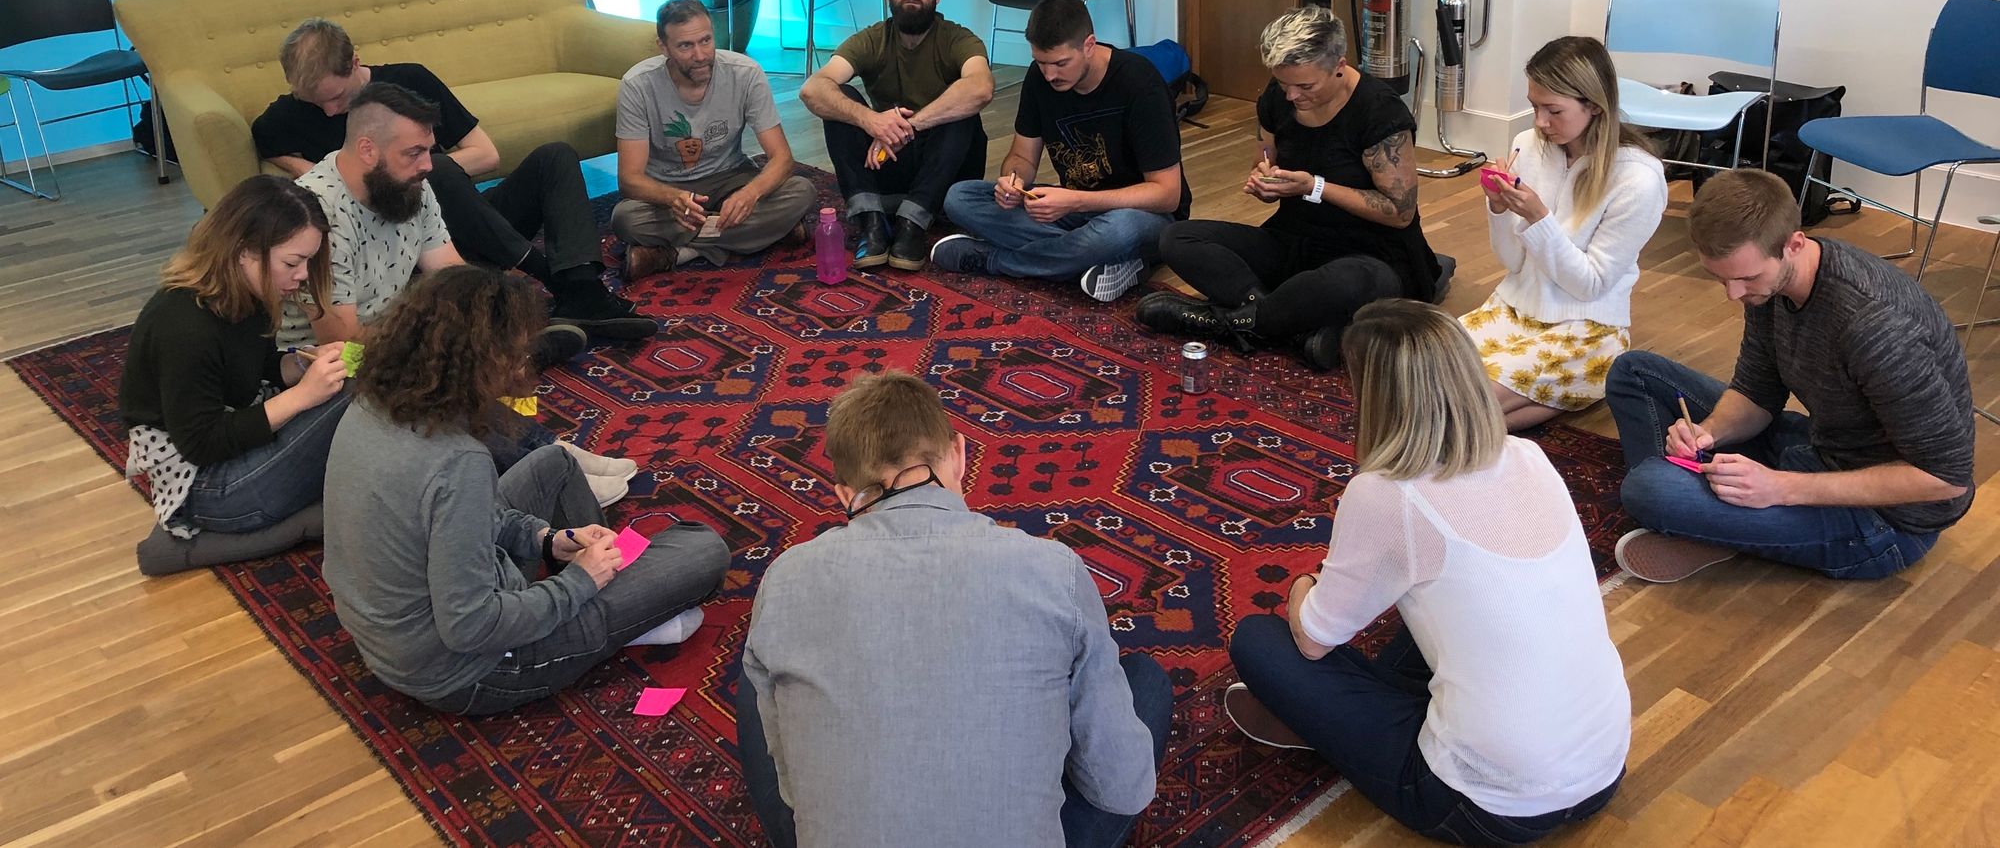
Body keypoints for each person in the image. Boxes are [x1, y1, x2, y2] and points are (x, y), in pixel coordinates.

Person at [1225, 299, 1628, 846]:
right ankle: (1355, 720)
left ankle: (1334, 731)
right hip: (1603, 768)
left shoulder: (1387, 494)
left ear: (1373, 396)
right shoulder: (1528, 455)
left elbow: (1315, 639)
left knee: (1259, 639)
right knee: (1433, 602)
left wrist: (1305, 584)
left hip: (1485, 807)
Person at [739, 371, 1169, 848]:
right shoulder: (1053, 569)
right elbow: (1122, 789)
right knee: (1145, 680)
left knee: (760, 676)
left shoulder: (786, 578)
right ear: (960, 454)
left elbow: (795, 793)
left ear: (844, 496)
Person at [321, 265, 731, 716]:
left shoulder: (368, 405)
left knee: (555, 463)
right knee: (703, 550)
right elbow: (470, 626)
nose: (523, 367)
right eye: (515, 355)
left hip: (393, 640)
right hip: (469, 671)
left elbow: (448, 523)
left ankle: (608, 600)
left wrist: (546, 539)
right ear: (476, 362)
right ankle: (612, 616)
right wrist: (579, 582)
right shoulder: (457, 462)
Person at [1605, 168, 1976, 583]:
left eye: (1746, 278)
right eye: (1721, 278)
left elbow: (1945, 479)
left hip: (1885, 520)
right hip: (1825, 446)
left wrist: (1779, 488)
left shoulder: (1876, 327)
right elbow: (1757, 392)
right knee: (1632, 371)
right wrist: (1707, 433)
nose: (1733, 293)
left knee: (1647, 489)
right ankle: (1708, 516)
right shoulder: (1771, 283)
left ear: (1793, 244)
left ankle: (1701, 518)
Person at [273, 81, 639, 493]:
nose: (428, 165)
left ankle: (548, 453)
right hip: (324, 365)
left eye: (428, 150)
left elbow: (454, 276)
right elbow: (342, 340)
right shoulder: (317, 216)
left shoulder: (409, 185)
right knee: (429, 373)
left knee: (468, 338)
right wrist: (434, 340)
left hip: (387, 331)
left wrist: (492, 335)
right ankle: (547, 467)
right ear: (368, 150)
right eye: (414, 153)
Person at [252, 18, 647, 337]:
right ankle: (557, 288)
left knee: (547, 157)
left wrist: (413, 168)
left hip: (458, 221)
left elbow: (486, 156)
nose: (328, 111)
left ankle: (580, 288)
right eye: (314, 101)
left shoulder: (411, 85)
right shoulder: (300, 137)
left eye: (336, 97)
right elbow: (265, 138)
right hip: (397, 260)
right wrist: (315, 171)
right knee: (436, 172)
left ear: (355, 63)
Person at [1138, 6, 1443, 370]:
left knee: (1345, 283)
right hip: (1294, 241)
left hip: (1372, 254)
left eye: (1305, 86)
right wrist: (1265, 179)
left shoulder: (1379, 112)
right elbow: (1265, 158)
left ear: (1339, 66)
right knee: (1177, 237)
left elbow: (1399, 212)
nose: (1292, 96)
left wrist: (1315, 187)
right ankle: (1283, 322)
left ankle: (1224, 322)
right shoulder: (1277, 98)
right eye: (1284, 84)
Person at [120, 174, 348, 546]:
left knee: (347, 381)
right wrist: (303, 396)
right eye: (293, 262)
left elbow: (255, 367)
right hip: (203, 489)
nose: (303, 274)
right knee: (350, 395)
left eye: (308, 261)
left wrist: (301, 365)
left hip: (231, 456)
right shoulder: (184, 326)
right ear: (244, 252)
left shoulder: (248, 293)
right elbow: (202, 444)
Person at [1463, 36, 1666, 431]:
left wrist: (1539, 219)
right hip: (1513, 309)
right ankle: (1513, 412)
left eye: (1553, 110)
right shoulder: (1528, 145)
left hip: (1586, 328)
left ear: (1594, 105)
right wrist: (1500, 210)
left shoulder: (1638, 178)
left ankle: (1494, 418)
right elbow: (1513, 263)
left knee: (1465, 400)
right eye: (1534, 106)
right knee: (1423, 373)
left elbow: (1590, 285)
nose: (1540, 122)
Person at [933, 0, 1190, 302]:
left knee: (1118, 229)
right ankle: (1097, 258)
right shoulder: (1039, 79)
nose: (1050, 74)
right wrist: (1013, 182)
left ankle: (995, 260)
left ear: (1089, 45)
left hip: (1143, 217)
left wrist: (1076, 202)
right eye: (1041, 62)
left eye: (1060, 63)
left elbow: (1167, 195)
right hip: (1074, 209)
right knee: (960, 197)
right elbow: (1022, 157)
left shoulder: (1140, 83)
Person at [799, 0, 995, 270]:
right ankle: (871, 222)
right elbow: (812, 89)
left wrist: (907, 127)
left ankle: (913, 223)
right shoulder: (872, 39)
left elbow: (981, 87)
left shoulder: (959, 39)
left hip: (944, 172)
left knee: (962, 108)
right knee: (840, 99)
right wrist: (872, 121)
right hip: (887, 164)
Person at [611, 0, 817, 280]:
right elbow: (630, 179)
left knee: (802, 192)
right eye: (685, 46)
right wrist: (673, 198)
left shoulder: (745, 73)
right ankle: (764, 233)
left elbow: (781, 158)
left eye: (706, 41)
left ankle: (678, 253)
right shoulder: (637, 85)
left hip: (730, 179)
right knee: (626, 219)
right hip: (668, 190)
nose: (700, 55)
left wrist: (750, 195)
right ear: (664, 47)